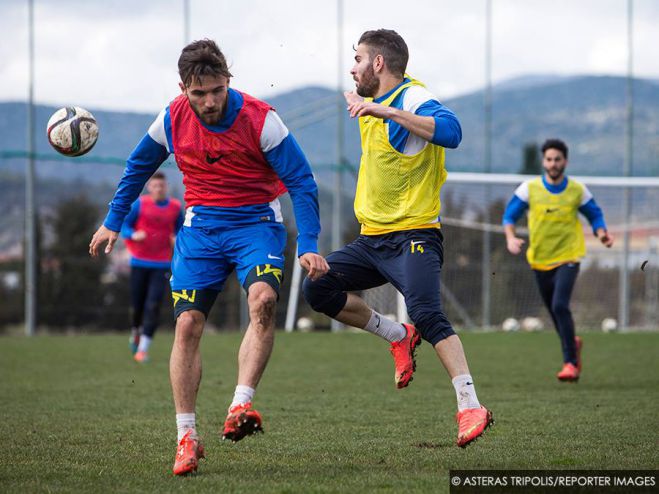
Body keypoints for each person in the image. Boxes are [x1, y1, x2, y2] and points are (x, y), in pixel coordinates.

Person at [89, 39, 329, 475]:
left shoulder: (262, 120)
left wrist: (309, 241)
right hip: (201, 229)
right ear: (183, 89)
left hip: (257, 222)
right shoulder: (171, 118)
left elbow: (302, 181)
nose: (209, 101)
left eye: (216, 90)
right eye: (198, 94)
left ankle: (241, 405)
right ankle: (186, 437)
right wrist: (113, 220)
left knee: (264, 302)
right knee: (187, 325)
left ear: (228, 82)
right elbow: (137, 168)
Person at [302, 29, 493, 448]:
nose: (351, 67)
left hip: (414, 236)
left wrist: (382, 112)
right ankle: (397, 336)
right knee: (317, 288)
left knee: (426, 312)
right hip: (372, 241)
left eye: (357, 59)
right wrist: (371, 108)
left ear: (378, 64)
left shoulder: (409, 97)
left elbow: (452, 132)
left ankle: (470, 405)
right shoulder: (371, 103)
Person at [503, 138, 614, 382]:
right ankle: (572, 342)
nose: (553, 164)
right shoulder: (528, 189)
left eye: (557, 159)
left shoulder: (577, 190)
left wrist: (602, 233)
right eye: (549, 159)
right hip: (540, 259)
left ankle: (570, 363)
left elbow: (595, 215)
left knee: (560, 306)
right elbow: (509, 217)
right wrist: (511, 239)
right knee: (555, 313)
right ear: (544, 161)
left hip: (569, 256)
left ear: (565, 161)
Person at [121, 171, 183, 363]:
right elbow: (124, 225)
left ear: (166, 187)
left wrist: (177, 239)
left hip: (162, 263)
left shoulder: (175, 207)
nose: (159, 189)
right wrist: (133, 235)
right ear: (149, 187)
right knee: (138, 306)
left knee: (153, 304)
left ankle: (143, 349)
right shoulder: (140, 204)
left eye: (162, 186)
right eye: (155, 186)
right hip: (139, 261)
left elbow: (181, 230)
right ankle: (136, 331)